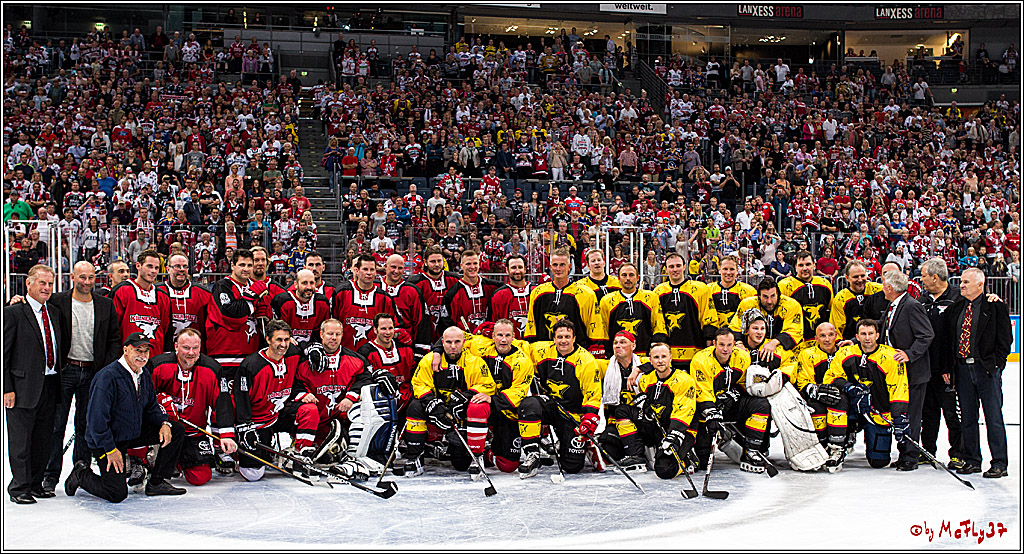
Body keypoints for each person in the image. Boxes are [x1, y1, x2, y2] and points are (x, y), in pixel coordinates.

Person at [64, 332, 186, 501]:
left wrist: (164, 423)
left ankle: (157, 482)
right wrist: (110, 449)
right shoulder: (108, 377)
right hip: (107, 440)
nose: (142, 355)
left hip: (130, 432)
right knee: (116, 493)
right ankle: (81, 474)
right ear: (126, 350)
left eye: (146, 351)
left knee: (176, 430)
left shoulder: (143, 374)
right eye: (138, 350)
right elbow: (96, 421)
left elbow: (151, 406)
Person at [43, 261, 121, 494]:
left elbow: (114, 339)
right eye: (82, 277)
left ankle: (81, 469)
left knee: (86, 425)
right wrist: (16, 300)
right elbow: (34, 308)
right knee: (56, 424)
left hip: (93, 373)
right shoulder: (57, 301)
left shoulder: (105, 304)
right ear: (72, 277)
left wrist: (104, 371)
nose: (87, 282)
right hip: (65, 370)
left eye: (91, 277)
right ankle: (50, 475)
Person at [397, 326, 495, 477]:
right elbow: (419, 383)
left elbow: (487, 385)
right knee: (415, 406)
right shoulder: (429, 360)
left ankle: (476, 455)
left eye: (457, 342)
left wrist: (466, 396)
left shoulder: (475, 361)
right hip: (436, 410)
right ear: (442, 342)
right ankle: (415, 456)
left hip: (460, 414)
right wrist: (432, 402)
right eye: (449, 342)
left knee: (461, 464)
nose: (453, 346)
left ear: (464, 342)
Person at [3, 265, 63, 504]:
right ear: (28, 284)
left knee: (42, 439)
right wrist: (6, 387)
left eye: (50, 284)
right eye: (42, 283)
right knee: (21, 441)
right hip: (21, 387)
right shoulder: (14, 312)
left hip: (50, 383)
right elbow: (4, 354)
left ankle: (36, 483)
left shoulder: (54, 312)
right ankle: (19, 487)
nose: (47, 288)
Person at [233, 320, 321, 481]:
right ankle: (241, 454)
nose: (283, 344)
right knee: (253, 474)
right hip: (257, 423)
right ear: (268, 339)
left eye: (287, 339)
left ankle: (301, 455)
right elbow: (240, 399)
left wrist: (312, 348)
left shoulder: (292, 353)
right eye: (279, 340)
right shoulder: (251, 366)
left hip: (277, 415)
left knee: (309, 410)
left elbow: (303, 347)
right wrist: (245, 427)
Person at [946, 268, 1011, 478]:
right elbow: (949, 340)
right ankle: (972, 460)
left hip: (986, 370)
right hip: (962, 369)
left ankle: (999, 462)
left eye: (966, 282)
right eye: (961, 281)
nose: (961, 285)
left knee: (993, 417)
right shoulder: (956, 308)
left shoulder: (995, 306)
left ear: (980, 285)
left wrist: (997, 365)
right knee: (967, 417)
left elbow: (1005, 340)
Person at [148, 328, 236, 485]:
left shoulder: (212, 368)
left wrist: (226, 435)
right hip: (165, 430)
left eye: (195, 348)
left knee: (201, 477)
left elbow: (221, 403)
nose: (191, 353)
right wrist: (160, 405)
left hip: (194, 432)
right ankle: (149, 457)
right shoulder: (158, 365)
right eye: (186, 348)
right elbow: (144, 398)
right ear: (176, 346)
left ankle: (180, 459)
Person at [820, 319, 909, 472]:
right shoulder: (845, 353)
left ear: (877, 335)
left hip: (878, 412)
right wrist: (850, 388)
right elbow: (830, 377)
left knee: (879, 461)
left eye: (870, 333)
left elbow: (899, 389)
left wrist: (900, 417)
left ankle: (867, 435)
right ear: (857, 336)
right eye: (863, 334)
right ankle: (842, 440)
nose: (867, 338)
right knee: (837, 400)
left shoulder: (891, 357)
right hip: (852, 409)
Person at [518, 319, 603, 476]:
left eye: (567, 337)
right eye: (560, 337)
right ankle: (532, 454)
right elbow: (516, 345)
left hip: (571, 414)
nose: (563, 341)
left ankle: (584, 444)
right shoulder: (541, 350)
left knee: (572, 467)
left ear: (574, 338)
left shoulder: (586, 361)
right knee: (528, 404)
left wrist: (588, 419)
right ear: (554, 338)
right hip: (551, 405)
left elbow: (593, 394)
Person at [457, 319, 535, 475]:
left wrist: (492, 399)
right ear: (492, 336)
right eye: (499, 335)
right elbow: (452, 337)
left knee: (508, 466)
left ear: (514, 337)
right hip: (483, 405)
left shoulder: (522, 361)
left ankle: (488, 452)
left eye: (507, 335)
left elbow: (519, 391)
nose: (503, 340)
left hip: (507, 410)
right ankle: (477, 456)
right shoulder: (481, 345)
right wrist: (437, 351)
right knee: (477, 406)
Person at [878, 269, 934, 471]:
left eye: (884, 285)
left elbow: (926, 335)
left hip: (914, 373)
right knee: (902, 415)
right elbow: (882, 328)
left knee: (912, 416)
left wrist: (910, 354)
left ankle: (911, 456)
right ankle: (904, 454)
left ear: (890, 288)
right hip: (898, 373)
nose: (882, 288)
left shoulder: (911, 306)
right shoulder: (894, 305)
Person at [691, 327, 767, 473]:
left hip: (731, 405)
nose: (725, 349)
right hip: (707, 410)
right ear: (714, 343)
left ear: (734, 344)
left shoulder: (742, 357)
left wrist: (735, 392)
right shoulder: (701, 360)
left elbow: (746, 383)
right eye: (721, 344)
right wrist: (711, 412)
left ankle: (751, 451)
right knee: (703, 462)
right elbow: (702, 391)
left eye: (729, 345)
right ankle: (721, 438)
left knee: (761, 405)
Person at [917, 258, 964, 470]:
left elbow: (956, 338)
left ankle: (958, 454)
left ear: (935, 277)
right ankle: (927, 451)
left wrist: (949, 366)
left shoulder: (957, 298)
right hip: (926, 368)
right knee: (928, 413)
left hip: (949, 369)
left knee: (952, 414)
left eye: (924, 276)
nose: (921, 280)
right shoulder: (922, 299)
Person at [525, 247, 604, 353]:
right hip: (544, 355)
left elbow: (594, 325)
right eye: (555, 265)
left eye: (562, 265)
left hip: (576, 354)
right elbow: (531, 325)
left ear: (569, 267)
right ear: (550, 267)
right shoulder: (537, 292)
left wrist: (596, 349)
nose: (558, 269)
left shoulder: (586, 293)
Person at [206, 249, 272, 372]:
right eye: (242, 265)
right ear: (232, 265)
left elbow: (265, 318)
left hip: (251, 354)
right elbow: (232, 316)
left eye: (249, 265)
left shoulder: (254, 286)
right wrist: (252, 298)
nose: (246, 269)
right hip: (225, 355)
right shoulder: (222, 286)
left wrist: (265, 314)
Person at [596, 330, 653, 469]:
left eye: (623, 342)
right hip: (617, 422)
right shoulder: (606, 366)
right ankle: (635, 449)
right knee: (608, 451)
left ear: (633, 346)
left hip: (643, 418)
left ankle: (637, 454)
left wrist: (638, 369)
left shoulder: (644, 362)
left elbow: (662, 363)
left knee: (622, 410)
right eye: (615, 343)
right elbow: (584, 362)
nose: (618, 345)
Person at [653, 252, 716, 370]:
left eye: (678, 266)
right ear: (665, 269)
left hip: (696, 351)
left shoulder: (700, 289)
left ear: (684, 266)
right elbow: (657, 322)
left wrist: (708, 345)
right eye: (671, 266)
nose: (675, 269)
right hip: (668, 354)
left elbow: (708, 316)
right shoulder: (658, 292)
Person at [596, 263, 667, 356]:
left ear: (637, 278)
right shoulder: (607, 301)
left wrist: (655, 349)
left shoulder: (651, 297)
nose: (628, 278)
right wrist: (608, 353)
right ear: (618, 278)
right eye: (624, 275)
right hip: (618, 357)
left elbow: (659, 325)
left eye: (631, 275)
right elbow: (604, 330)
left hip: (644, 356)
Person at [729, 277, 803, 362]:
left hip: (783, 351)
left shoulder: (792, 305)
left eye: (773, 296)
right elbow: (735, 326)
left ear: (778, 294)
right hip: (750, 349)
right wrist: (739, 343)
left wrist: (774, 342)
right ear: (758, 296)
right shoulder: (747, 304)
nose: (769, 301)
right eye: (765, 297)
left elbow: (795, 331)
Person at [111, 250, 171, 354]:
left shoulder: (163, 296)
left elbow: (166, 329)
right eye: (149, 266)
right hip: (128, 357)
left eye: (156, 268)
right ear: (138, 265)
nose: (153, 271)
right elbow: (113, 329)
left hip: (155, 357)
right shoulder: (121, 291)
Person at [333, 254, 397, 352]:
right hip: (345, 353)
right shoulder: (341, 293)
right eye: (365, 269)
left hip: (374, 354)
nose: (369, 273)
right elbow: (331, 322)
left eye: (372, 270)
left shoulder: (385, 298)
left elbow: (394, 326)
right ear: (357, 271)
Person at [778, 250, 834, 350]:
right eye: (801, 265)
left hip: (821, 342)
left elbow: (832, 312)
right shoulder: (784, 286)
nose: (805, 268)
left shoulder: (825, 284)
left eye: (808, 264)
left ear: (814, 266)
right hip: (796, 342)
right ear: (795, 267)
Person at [380, 254, 432, 356]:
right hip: (377, 346)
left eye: (400, 268)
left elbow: (421, 322)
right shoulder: (375, 287)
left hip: (404, 347)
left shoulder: (412, 291)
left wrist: (421, 350)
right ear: (385, 267)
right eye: (393, 267)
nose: (396, 271)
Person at [406, 245, 460, 342]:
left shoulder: (454, 279)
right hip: (423, 335)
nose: (437, 264)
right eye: (433, 261)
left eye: (439, 261)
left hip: (450, 337)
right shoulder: (414, 283)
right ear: (425, 262)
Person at [439, 250, 502, 332]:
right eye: (468, 264)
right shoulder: (452, 294)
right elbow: (446, 323)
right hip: (464, 339)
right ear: (461, 266)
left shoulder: (494, 287)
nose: (472, 267)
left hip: (489, 338)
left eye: (475, 263)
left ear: (479, 264)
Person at [158, 253, 212, 346]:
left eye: (185, 266)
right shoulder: (157, 292)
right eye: (177, 266)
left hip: (193, 350)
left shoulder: (204, 293)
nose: (182, 269)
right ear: (168, 269)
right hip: (165, 349)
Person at [271, 269, 332, 349]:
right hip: (287, 347)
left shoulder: (322, 303)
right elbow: (276, 330)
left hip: (313, 347)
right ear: (296, 284)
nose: (309, 287)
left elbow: (324, 331)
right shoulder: (282, 301)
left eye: (311, 283)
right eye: (304, 283)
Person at [829, 260, 883, 340]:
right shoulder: (840, 298)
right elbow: (836, 328)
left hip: (875, 341)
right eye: (855, 277)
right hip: (850, 343)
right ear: (847, 278)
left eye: (862, 276)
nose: (860, 280)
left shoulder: (877, 289)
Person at [488, 254, 532, 339]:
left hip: (534, 343)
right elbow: (493, 323)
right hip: (508, 344)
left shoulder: (536, 291)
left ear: (525, 269)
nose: (517, 271)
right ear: (507, 270)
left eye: (520, 267)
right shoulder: (498, 295)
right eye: (513, 267)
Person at [706, 255, 756, 328]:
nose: (728, 272)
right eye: (725, 269)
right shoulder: (708, 290)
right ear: (719, 269)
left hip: (738, 332)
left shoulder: (749, 291)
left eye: (732, 269)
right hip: (715, 331)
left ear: (737, 270)